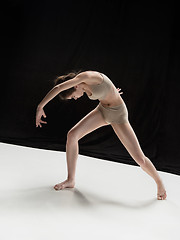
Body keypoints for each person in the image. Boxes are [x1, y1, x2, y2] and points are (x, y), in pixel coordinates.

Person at [35, 70, 167, 200]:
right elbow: (106, 88)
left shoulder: (87, 76)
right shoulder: (83, 86)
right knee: (72, 135)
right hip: (102, 111)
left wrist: (40, 107)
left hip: (118, 115)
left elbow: (59, 87)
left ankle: (159, 183)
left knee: (140, 159)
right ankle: (70, 180)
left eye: (73, 96)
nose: (75, 98)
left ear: (75, 86)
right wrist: (112, 93)